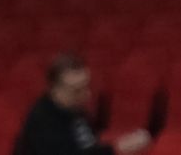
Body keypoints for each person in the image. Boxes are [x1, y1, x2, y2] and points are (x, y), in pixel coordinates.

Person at [13, 54, 153, 155]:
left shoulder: (76, 111)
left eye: (87, 86)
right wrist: (118, 148)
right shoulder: (42, 119)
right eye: (76, 90)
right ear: (54, 89)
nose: (86, 94)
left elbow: (89, 146)